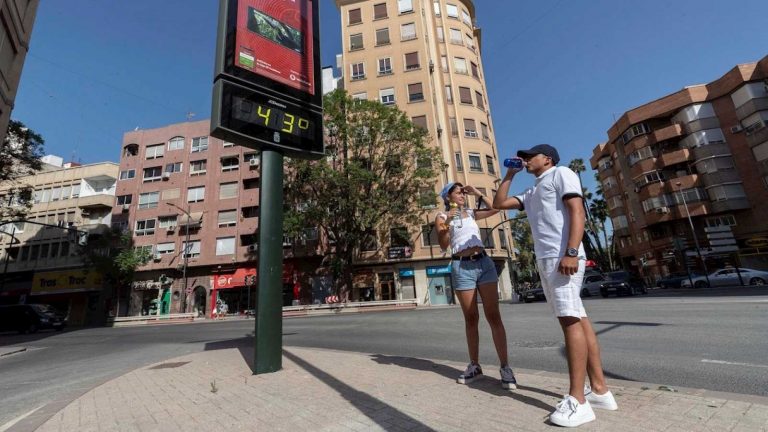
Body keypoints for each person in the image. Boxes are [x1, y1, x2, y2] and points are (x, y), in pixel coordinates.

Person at [493, 144, 618, 427]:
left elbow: (577, 211)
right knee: (578, 318)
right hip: (547, 259)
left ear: (546, 159)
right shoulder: (532, 190)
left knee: (569, 321)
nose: (525, 160)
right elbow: (498, 204)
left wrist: (572, 252)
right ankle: (600, 389)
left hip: (564, 256)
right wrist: (510, 174)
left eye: (529, 156)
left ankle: (578, 401)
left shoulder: (562, 173)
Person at [436, 182, 517, 390]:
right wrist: (450, 219)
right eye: (458, 192)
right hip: (461, 267)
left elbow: (496, 208)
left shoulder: (472, 213)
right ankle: (474, 365)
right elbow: (444, 244)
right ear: (448, 197)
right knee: (471, 318)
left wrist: (479, 192)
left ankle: (505, 367)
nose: (463, 194)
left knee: (494, 315)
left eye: (464, 192)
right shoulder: (442, 216)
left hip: (484, 263)